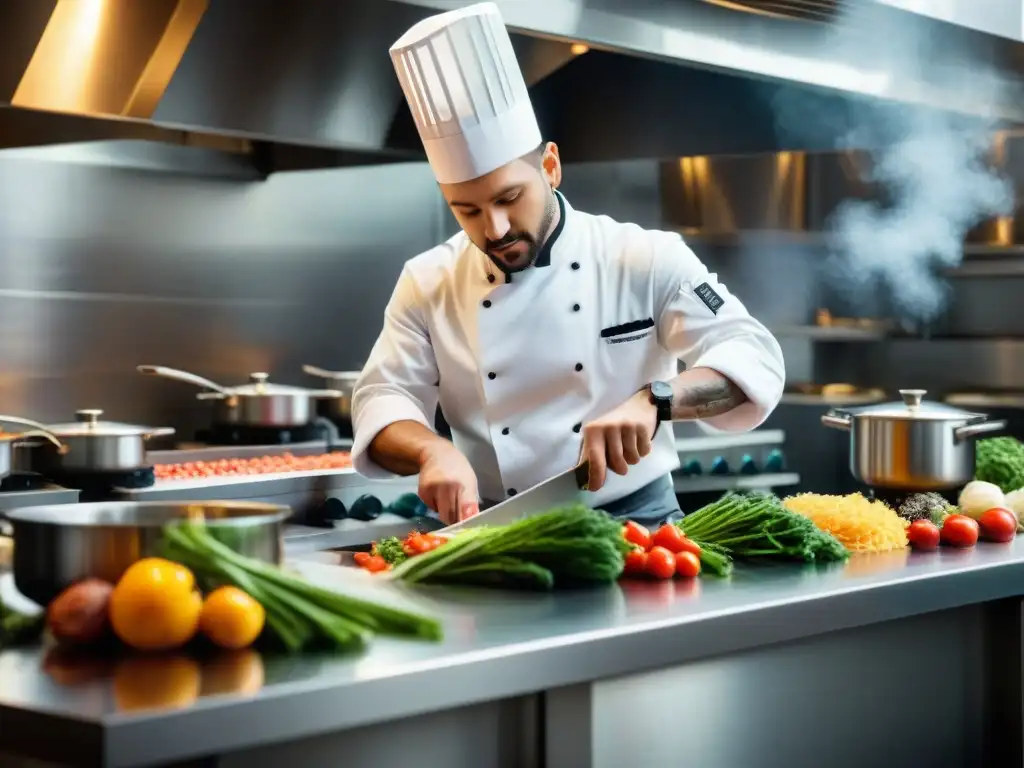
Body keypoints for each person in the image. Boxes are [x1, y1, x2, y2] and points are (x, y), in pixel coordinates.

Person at [351, 2, 785, 527]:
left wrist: (657, 399)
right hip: (492, 528)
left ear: (550, 166)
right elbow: (384, 396)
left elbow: (753, 357)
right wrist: (430, 451)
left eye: (510, 197)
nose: (496, 229)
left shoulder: (643, 256)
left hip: (638, 525)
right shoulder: (428, 281)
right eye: (466, 210)